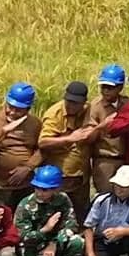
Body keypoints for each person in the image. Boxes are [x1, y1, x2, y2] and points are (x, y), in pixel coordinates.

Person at [14, 165, 83, 256]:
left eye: (44, 189)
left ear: (55, 189)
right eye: (36, 187)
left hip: (54, 243)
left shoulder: (62, 199)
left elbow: (72, 224)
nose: (39, 192)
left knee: (77, 242)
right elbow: (22, 236)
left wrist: (55, 243)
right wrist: (45, 229)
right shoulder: (25, 205)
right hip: (31, 248)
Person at [0, 83, 42, 208]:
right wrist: (3, 131)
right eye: (10, 106)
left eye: (18, 110)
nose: (12, 112)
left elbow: (42, 149)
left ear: (28, 109)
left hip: (25, 185)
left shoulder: (34, 123)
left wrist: (28, 167)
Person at [39, 81, 93, 222]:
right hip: (61, 176)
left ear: (83, 102)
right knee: (59, 214)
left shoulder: (88, 110)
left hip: (81, 176)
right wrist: (70, 138)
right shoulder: (54, 114)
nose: (71, 106)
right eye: (69, 101)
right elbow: (43, 142)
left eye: (76, 103)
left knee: (81, 213)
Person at [86, 64, 129, 194]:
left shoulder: (127, 103)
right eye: (103, 87)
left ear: (120, 87)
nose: (106, 91)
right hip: (105, 160)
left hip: (126, 159)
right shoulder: (95, 107)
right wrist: (102, 126)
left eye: (110, 87)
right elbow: (88, 138)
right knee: (106, 197)